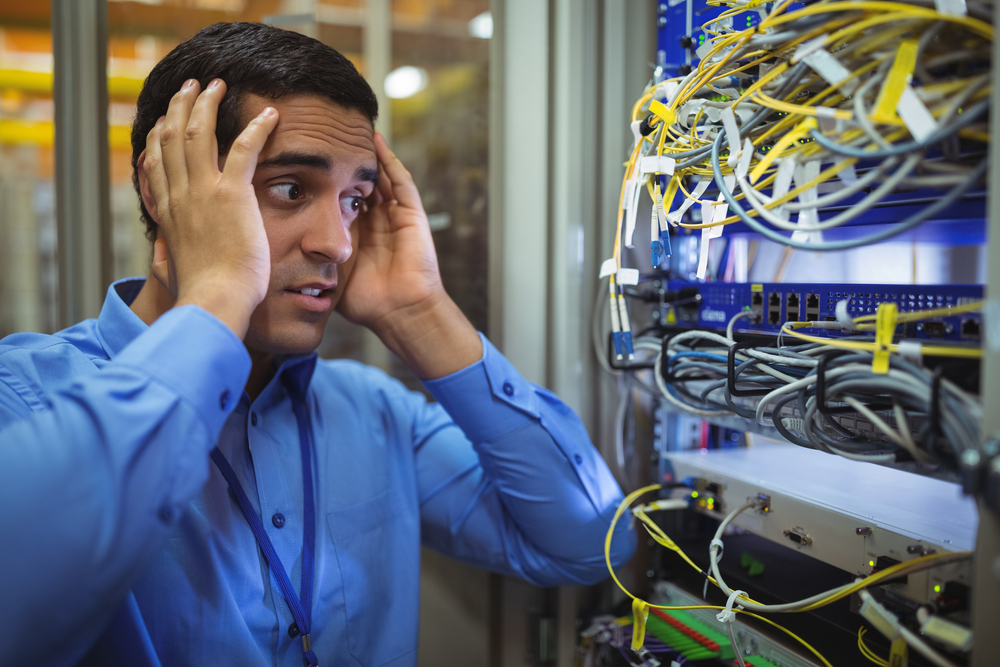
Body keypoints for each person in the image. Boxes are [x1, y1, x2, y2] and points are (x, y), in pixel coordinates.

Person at [0, 22, 635, 667]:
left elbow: (593, 542)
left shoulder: (373, 412)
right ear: (162, 189)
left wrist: (420, 314)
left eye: (355, 200)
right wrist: (217, 295)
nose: (338, 243)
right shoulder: (24, 395)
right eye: (291, 189)